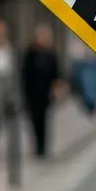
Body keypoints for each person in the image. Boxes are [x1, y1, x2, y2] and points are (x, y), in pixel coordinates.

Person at [20, 25, 63, 159]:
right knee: (33, 120)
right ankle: (37, 146)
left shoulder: (51, 53)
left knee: (44, 120)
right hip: (32, 93)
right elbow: (25, 73)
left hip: (45, 93)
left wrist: (57, 88)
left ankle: (43, 147)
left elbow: (56, 73)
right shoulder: (30, 53)